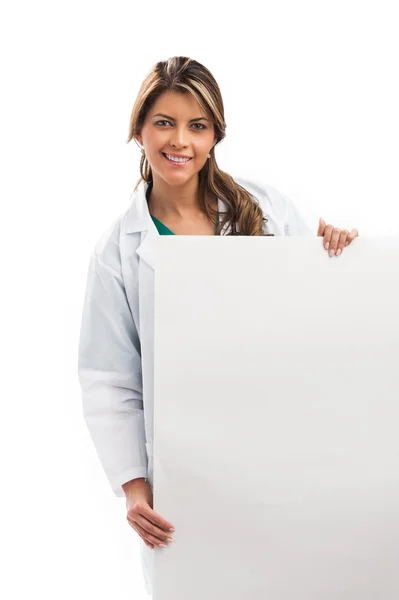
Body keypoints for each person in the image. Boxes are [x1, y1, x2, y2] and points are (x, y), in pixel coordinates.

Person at [77, 55, 359, 596]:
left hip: (280, 453)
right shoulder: (117, 252)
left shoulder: (266, 209)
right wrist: (136, 492)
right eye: (164, 122)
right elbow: (110, 379)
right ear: (139, 130)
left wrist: (336, 255)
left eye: (196, 125)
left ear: (215, 136)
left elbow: (316, 320)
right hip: (189, 475)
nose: (179, 140)